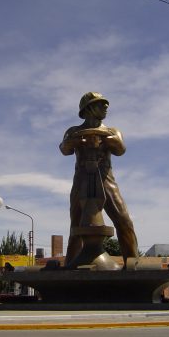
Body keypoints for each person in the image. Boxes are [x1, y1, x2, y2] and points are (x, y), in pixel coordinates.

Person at [60, 92, 139, 267]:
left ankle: (133, 263)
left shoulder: (112, 130)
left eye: (105, 104)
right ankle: (70, 266)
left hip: (106, 180)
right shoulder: (73, 131)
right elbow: (64, 149)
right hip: (82, 181)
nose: (105, 107)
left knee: (124, 221)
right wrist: (75, 141)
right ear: (88, 108)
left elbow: (121, 149)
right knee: (76, 225)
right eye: (100, 104)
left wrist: (108, 139)